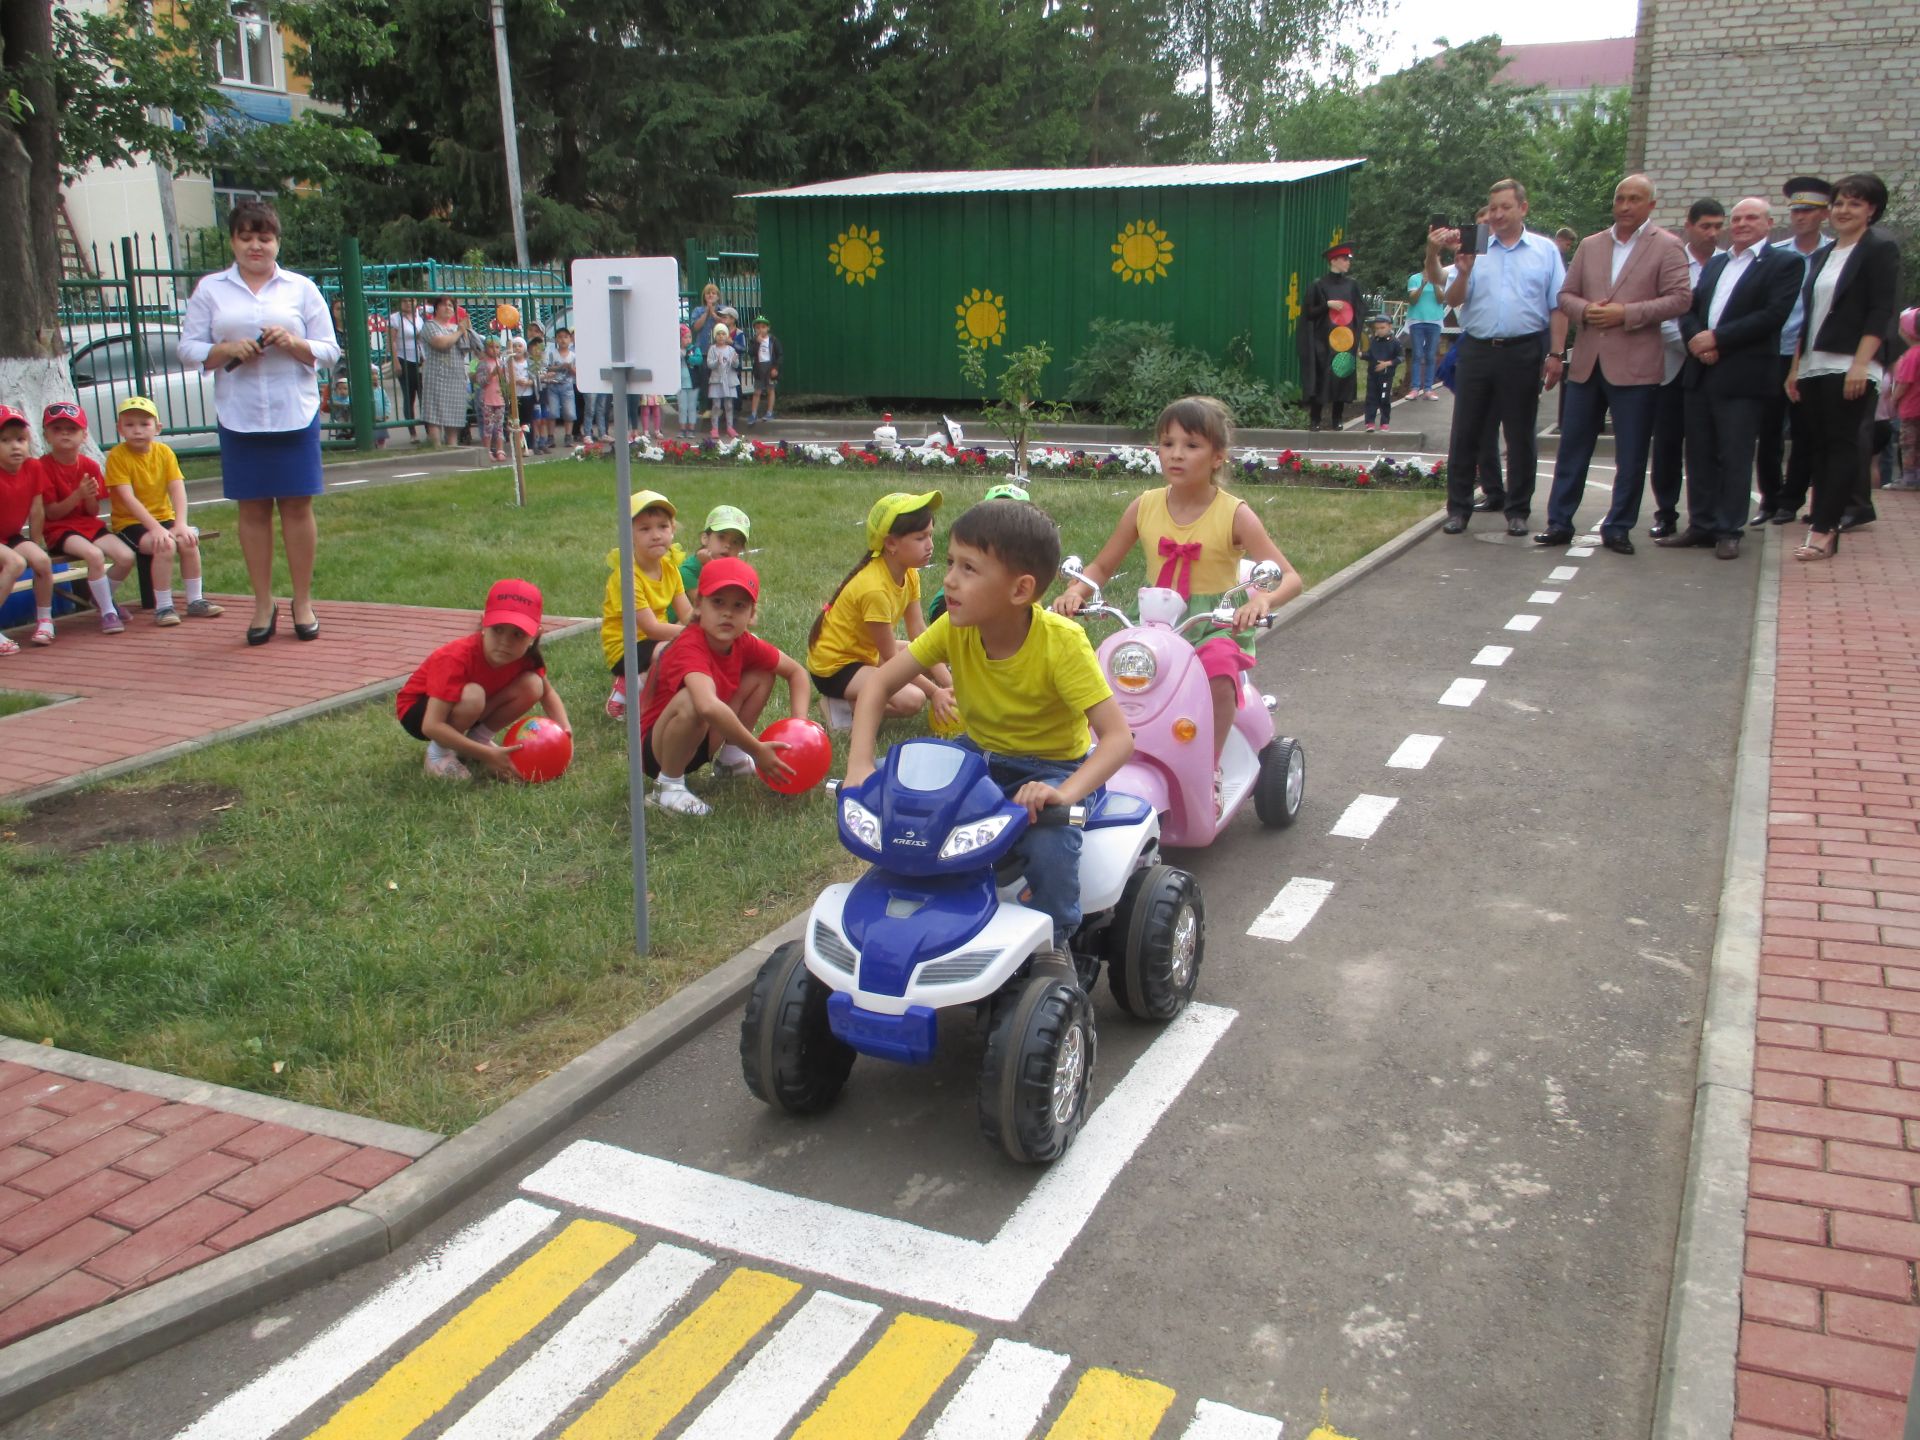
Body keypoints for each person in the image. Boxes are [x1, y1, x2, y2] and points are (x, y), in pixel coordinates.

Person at [847, 499, 1134, 954]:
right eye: (950, 563)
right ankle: (909, 920)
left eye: (969, 568)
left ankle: (1057, 944)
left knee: (1049, 846)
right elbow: (879, 684)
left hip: (1054, 767)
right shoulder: (954, 628)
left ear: (1020, 590)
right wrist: (859, 766)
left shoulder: (1062, 644)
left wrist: (1064, 792)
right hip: (977, 757)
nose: (949, 579)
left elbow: (1118, 739)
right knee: (896, 798)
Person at [1053, 396, 1302, 795]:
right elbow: (1102, 566)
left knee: (1219, 673)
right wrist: (1077, 589)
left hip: (1212, 623)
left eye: (1191, 445)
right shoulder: (1144, 506)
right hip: (1153, 622)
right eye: (1167, 444)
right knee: (1103, 672)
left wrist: (1261, 601)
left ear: (1218, 457)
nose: (1176, 455)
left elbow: (1289, 577)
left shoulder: (1233, 513)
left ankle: (1210, 768)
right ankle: (1097, 754)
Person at [177, 199, 334, 646]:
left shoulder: (300, 288)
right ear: (233, 241)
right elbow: (188, 348)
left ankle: (301, 601)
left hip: (293, 410)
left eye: (264, 237)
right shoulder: (211, 289)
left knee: (297, 507)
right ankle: (263, 602)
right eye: (246, 237)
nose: (255, 246)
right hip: (241, 413)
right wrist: (226, 350)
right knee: (253, 509)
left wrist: (294, 342)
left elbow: (329, 349)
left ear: (276, 241)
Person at [1537, 174, 1693, 554]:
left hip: (1636, 365)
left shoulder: (1668, 247)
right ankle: (1559, 521)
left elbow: (1680, 299)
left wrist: (1628, 313)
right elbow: (1565, 295)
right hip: (1588, 364)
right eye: (1620, 198)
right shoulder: (1591, 245)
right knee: (1573, 446)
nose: (1624, 206)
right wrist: (1586, 310)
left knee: (1632, 451)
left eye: (1634, 199)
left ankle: (1619, 526)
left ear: (1651, 205)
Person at [1661, 197, 1802, 560]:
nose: (1741, 224)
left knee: (1735, 454)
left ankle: (1729, 529)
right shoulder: (1718, 262)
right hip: (1701, 370)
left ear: (1770, 223)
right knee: (1700, 453)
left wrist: (1718, 339)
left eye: (1751, 218)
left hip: (1742, 375)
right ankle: (1702, 525)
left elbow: (1773, 315)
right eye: (1736, 219)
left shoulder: (1784, 264)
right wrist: (1697, 342)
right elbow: (1691, 308)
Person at [1427, 180, 1568, 535]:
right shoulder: (1475, 248)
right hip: (1477, 348)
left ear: (1524, 208)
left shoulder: (1545, 251)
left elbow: (1558, 306)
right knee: (1466, 432)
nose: (1498, 215)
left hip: (1523, 350)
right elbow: (1454, 299)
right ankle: (1458, 510)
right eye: (1493, 208)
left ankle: (1517, 510)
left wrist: (1556, 353)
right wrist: (1466, 268)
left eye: (1505, 207)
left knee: (1520, 433)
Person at [1786, 173, 1901, 561]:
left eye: (1854, 203)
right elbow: (1811, 314)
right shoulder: (1822, 255)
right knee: (1818, 445)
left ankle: (1824, 530)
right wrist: (1795, 367)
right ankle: (1822, 517)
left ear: (1871, 210)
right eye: (1838, 203)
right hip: (1815, 363)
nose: (1843, 210)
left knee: (1840, 445)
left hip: (1852, 363)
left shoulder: (1878, 250)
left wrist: (1861, 363)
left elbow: (1880, 309)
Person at [639, 558, 810, 817]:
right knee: (692, 701)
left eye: (739, 605)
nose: (727, 613)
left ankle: (732, 760)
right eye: (718, 602)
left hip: (702, 738)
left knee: (763, 672)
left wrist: (800, 728)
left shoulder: (743, 641)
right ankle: (668, 786)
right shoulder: (689, 645)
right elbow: (707, 706)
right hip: (658, 750)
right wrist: (757, 749)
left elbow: (796, 672)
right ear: (698, 606)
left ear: (751, 614)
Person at [396, 578, 570, 782]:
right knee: (473, 695)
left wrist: (566, 733)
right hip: (420, 712)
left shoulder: (525, 657)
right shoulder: (455, 658)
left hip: (469, 705)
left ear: (535, 635)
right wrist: (488, 756)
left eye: (518, 634)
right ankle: (438, 753)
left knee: (533, 684)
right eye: (498, 629)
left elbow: (546, 693)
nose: (505, 642)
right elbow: (431, 725)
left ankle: (478, 739)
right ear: (484, 623)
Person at [807, 490, 955, 729]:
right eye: (920, 538)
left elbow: (919, 632)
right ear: (891, 543)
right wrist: (934, 692)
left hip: (867, 653)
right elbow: (891, 659)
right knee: (912, 700)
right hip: (835, 669)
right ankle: (841, 706)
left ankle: (858, 697)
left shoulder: (909, 573)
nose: (930, 545)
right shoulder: (874, 589)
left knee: (926, 655)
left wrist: (950, 687)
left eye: (931, 535)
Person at [103, 397, 221, 627]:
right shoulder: (117, 456)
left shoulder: (164, 452)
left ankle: (195, 599)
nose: (137, 430)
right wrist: (156, 529)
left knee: (187, 541)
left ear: (158, 428)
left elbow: (177, 489)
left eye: (144, 424)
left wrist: (181, 523)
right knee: (164, 544)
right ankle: (164, 606)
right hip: (130, 523)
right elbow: (128, 499)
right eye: (129, 425)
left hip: (164, 517)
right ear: (120, 429)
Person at [1650, 199, 1726, 538]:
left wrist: (1712, 346)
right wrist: (1695, 345)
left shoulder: (1728, 264)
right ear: (1689, 227)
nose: (1712, 233)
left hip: (1715, 367)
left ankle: (1707, 515)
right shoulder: (1672, 262)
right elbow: (1663, 316)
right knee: (1666, 444)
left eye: (1717, 226)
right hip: (1673, 365)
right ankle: (1665, 512)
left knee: (1707, 445)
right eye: (1705, 226)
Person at [37, 401, 132, 633]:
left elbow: (92, 512)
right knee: (94, 555)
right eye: (57, 429)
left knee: (126, 556)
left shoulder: (89, 464)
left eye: (72, 429)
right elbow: (52, 513)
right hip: (59, 529)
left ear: (84, 435)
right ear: (46, 435)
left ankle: (102, 598)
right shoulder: (43, 466)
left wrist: (88, 497)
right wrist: (77, 494)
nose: (65, 434)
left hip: (87, 524)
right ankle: (108, 611)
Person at [602, 489, 694, 720]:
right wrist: (694, 633)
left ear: (673, 530)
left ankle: (648, 687)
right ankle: (631, 686)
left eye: (663, 526)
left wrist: (708, 626)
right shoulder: (627, 576)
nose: (655, 535)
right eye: (645, 528)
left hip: (654, 639)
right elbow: (650, 627)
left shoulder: (670, 568)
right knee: (674, 651)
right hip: (626, 647)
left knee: (686, 648)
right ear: (628, 535)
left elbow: (686, 612)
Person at [927, 481, 1029, 622]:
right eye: (993, 513)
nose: (1000, 521)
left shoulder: (1028, 554)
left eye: (1011, 514)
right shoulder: (973, 543)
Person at [0, 406, 53, 651]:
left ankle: (44, 621)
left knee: (41, 560)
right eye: (5, 440)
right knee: (16, 563)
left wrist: (34, 541)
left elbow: (37, 509)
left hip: (10, 536)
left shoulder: (33, 467)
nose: (15, 446)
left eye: (20, 439)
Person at [1297, 244, 1363, 431]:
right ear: (1333, 260)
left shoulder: (1352, 286)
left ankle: (1337, 418)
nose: (1348, 262)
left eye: (1348, 259)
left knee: (1342, 375)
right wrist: (1327, 305)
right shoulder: (1319, 285)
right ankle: (1315, 419)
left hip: (1345, 341)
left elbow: (1358, 313)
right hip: (1323, 342)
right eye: (1345, 259)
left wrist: (1356, 340)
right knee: (1321, 377)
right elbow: (1309, 313)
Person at [419, 296, 482, 447]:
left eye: (450, 305)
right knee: (435, 413)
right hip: (437, 375)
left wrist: (468, 330)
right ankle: (435, 446)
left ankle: (452, 446)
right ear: (436, 308)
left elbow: (474, 349)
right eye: (443, 305)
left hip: (456, 375)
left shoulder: (456, 328)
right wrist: (460, 331)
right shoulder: (430, 326)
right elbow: (441, 344)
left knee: (454, 415)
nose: (447, 308)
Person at [678, 504, 751, 593]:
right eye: (721, 537)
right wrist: (712, 567)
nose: (728, 545)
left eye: (735, 542)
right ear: (705, 539)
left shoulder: (736, 570)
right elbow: (710, 604)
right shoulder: (688, 571)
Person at [1405, 264, 1446, 399]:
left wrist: (1434, 284)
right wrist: (1422, 285)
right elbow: (1412, 300)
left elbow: (1441, 299)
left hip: (1435, 320)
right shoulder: (1414, 279)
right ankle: (1415, 388)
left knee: (1430, 355)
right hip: (1417, 320)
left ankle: (1428, 389)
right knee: (1417, 354)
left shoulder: (1441, 279)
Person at [1890, 308, 1920, 491]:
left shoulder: (1911, 354)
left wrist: (1893, 399)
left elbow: (1904, 382)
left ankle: (1909, 477)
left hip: (1910, 409)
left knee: (1908, 443)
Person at [388, 297, 425, 438]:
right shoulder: (395, 318)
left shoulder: (419, 318)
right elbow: (391, 341)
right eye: (404, 301)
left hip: (420, 359)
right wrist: (396, 361)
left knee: (423, 394)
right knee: (409, 395)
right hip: (404, 359)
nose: (408, 303)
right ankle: (412, 431)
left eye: (411, 300)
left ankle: (428, 428)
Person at [1362, 316, 1402, 432]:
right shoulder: (1373, 341)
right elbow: (1370, 355)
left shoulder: (1395, 342)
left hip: (1386, 376)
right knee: (1371, 398)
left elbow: (1400, 357)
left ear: (1389, 327)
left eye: (1382, 327)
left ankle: (1384, 423)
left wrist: (1388, 363)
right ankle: (1370, 422)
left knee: (1384, 399)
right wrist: (1361, 355)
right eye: (1377, 328)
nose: (1379, 330)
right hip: (1372, 375)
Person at [475, 339, 508, 462]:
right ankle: (487, 449)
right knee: (488, 426)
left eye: (497, 347)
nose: (495, 350)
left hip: (499, 399)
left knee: (499, 426)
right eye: (491, 347)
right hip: (487, 399)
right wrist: (492, 374)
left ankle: (500, 449)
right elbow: (480, 381)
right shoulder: (483, 364)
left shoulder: (501, 363)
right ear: (486, 349)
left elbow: (505, 381)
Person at [706, 322, 740, 439]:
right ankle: (714, 428)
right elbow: (710, 364)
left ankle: (730, 427)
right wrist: (717, 361)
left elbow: (736, 365)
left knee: (729, 405)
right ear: (715, 336)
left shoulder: (731, 349)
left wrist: (735, 361)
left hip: (729, 380)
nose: (721, 336)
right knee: (716, 405)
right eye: (718, 334)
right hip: (717, 381)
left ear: (727, 336)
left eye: (723, 334)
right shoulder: (712, 349)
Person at [746, 316, 782, 425]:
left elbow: (780, 354)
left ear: (768, 328)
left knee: (771, 390)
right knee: (757, 391)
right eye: (758, 328)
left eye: (763, 327)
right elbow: (751, 353)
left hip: (770, 368)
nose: (761, 330)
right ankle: (753, 413)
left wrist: (776, 367)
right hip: (759, 368)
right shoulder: (754, 340)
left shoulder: (773, 340)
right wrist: (757, 343)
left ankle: (769, 412)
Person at [545, 327, 578, 447]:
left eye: (565, 337)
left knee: (569, 412)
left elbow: (577, 373)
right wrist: (558, 368)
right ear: (556, 340)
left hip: (567, 386)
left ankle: (568, 436)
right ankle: (550, 437)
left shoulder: (573, 356)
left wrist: (570, 368)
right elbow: (547, 368)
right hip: (553, 386)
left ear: (570, 339)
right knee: (552, 412)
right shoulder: (552, 354)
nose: (563, 340)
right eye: (560, 337)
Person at [676, 325, 697, 437]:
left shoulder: (694, 349)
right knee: (682, 407)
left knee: (692, 406)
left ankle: (691, 429)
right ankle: (682, 429)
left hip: (692, 383)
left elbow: (698, 360)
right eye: (685, 337)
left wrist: (689, 357)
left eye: (690, 337)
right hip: (680, 384)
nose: (688, 339)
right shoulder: (676, 351)